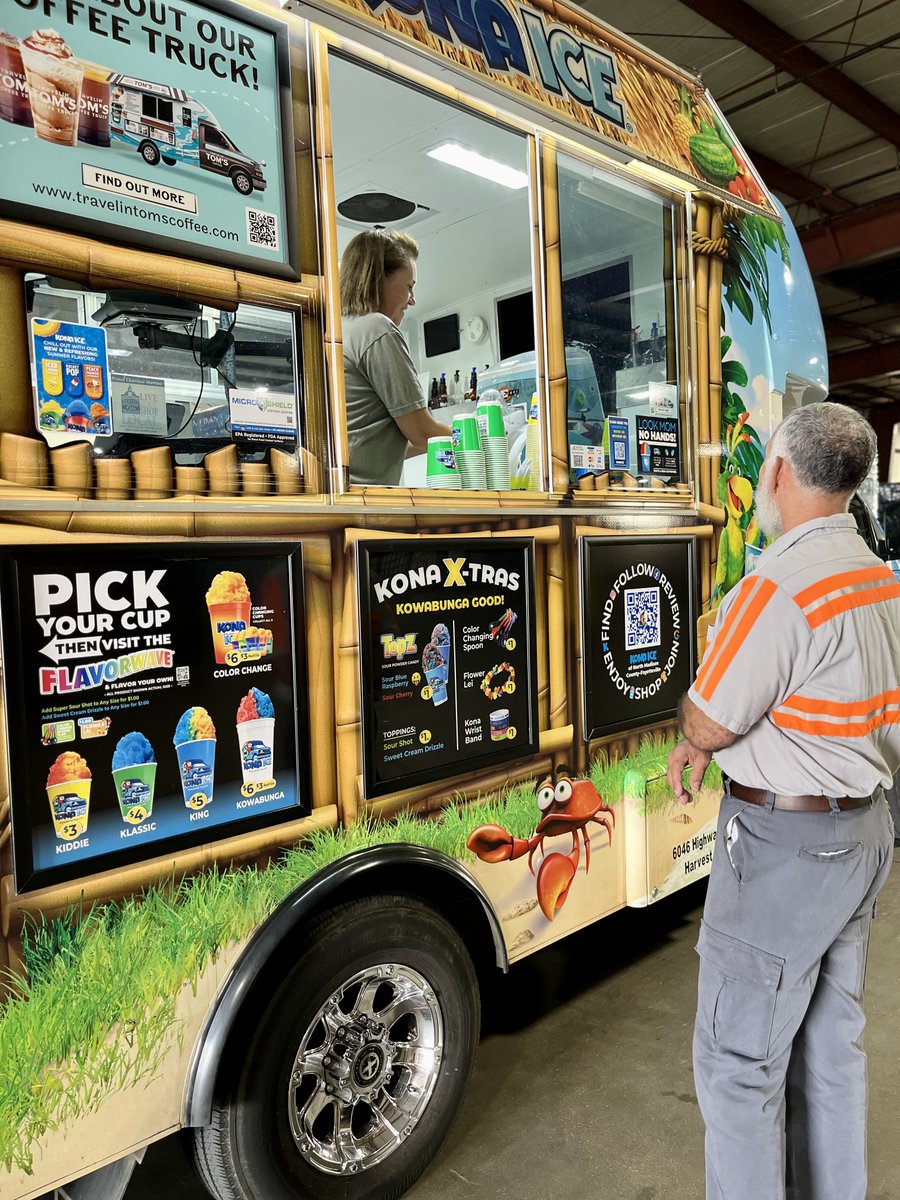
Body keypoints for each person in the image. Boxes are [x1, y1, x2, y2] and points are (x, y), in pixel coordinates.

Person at [666, 402, 899, 1200]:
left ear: (777, 473)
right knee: (831, 1047)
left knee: (738, 1066)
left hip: (782, 849)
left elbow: (708, 716)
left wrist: (692, 733)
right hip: (864, 831)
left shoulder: (776, 584)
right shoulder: (877, 575)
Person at [339, 229, 451, 486]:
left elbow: (377, 441)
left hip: (346, 492)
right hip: (366, 498)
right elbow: (422, 433)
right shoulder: (377, 328)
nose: (413, 300)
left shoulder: (340, 329)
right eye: (409, 286)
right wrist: (478, 435)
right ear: (379, 279)